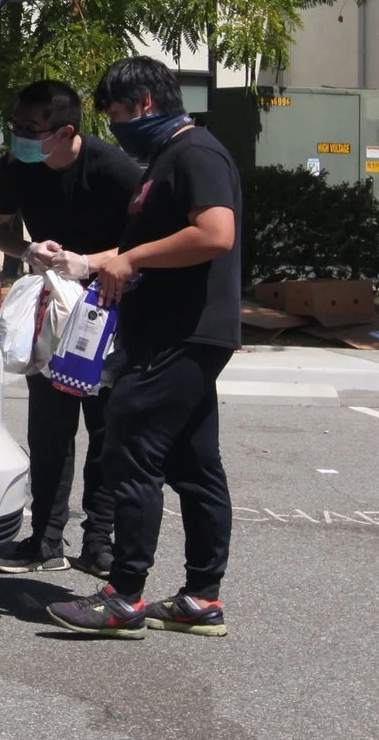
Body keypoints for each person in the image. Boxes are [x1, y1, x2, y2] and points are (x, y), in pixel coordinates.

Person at [45, 56, 242, 640]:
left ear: (145, 104)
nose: (114, 127)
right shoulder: (165, 159)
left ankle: (123, 596)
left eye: (115, 113)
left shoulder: (195, 153)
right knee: (194, 464)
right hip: (176, 332)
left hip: (178, 334)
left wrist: (130, 259)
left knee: (129, 451)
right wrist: (81, 263)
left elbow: (215, 233)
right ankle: (201, 598)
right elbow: (144, 248)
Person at [0, 79, 141, 579]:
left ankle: (99, 543)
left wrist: (88, 261)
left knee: (107, 429)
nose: (19, 136)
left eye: (31, 129)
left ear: (66, 131)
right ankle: (45, 540)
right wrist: (27, 250)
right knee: (49, 428)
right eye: (15, 125)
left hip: (110, 308)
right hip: (51, 309)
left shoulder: (114, 169)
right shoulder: (15, 166)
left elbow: (148, 242)